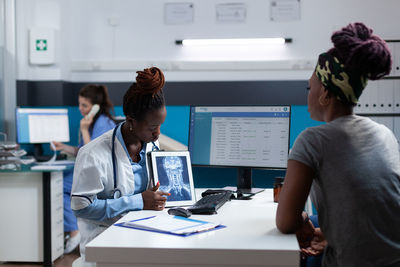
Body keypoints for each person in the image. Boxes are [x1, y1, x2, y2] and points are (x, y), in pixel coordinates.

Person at [276, 22, 400, 266]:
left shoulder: (312, 140)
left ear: (325, 93)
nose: (307, 94)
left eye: (309, 87)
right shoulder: (384, 133)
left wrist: (304, 221)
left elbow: (286, 222)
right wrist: (332, 234)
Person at [70, 67, 170, 262]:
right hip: (105, 243)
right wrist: (138, 201)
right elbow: (81, 208)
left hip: (144, 234)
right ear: (131, 121)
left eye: (160, 126)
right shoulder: (93, 154)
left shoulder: (151, 144)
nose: (158, 134)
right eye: (152, 128)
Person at [53, 84, 116, 254]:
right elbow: (82, 151)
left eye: (85, 105)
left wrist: (83, 129)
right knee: (59, 181)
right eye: (79, 104)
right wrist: (63, 147)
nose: (80, 109)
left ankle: (74, 230)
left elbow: (91, 156)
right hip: (88, 170)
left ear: (96, 107)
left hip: (98, 173)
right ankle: (73, 230)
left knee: (58, 185)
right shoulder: (93, 122)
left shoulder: (104, 124)